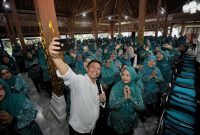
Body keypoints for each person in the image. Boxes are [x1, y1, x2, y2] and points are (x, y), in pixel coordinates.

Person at [48, 37, 106, 135]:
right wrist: (56, 58)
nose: (95, 70)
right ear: (86, 68)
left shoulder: (99, 85)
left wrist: (103, 100)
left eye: (98, 69)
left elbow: (100, 102)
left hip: (92, 127)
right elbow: (68, 75)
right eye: (92, 67)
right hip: (78, 129)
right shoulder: (79, 80)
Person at [107, 67, 144, 135]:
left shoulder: (137, 89)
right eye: (123, 75)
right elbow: (111, 105)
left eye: (127, 75)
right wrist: (124, 98)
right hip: (117, 120)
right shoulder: (116, 87)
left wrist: (130, 98)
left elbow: (141, 107)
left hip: (130, 120)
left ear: (132, 76)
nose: (124, 77)